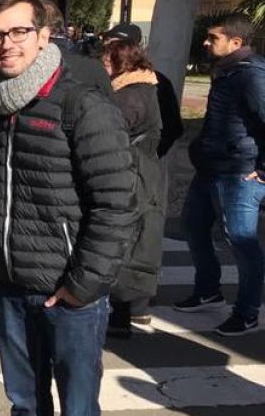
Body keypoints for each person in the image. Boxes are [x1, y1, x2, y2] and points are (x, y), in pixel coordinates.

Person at [0, 0, 136, 416]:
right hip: (13, 287)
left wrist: (83, 284)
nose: (7, 43)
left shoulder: (80, 102)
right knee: (26, 404)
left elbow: (117, 204)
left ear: (44, 36)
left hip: (69, 292)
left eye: (19, 31)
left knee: (77, 406)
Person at [176, 13, 265, 335]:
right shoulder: (228, 71)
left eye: (213, 37)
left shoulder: (252, 75)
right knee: (193, 226)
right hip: (211, 168)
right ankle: (208, 290)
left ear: (236, 42)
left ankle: (248, 310)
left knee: (241, 240)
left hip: (238, 173)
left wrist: (263, 171)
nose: (205, 41)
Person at [100, 39, 165, 338]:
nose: (102, 64)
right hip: (142, 170)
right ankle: (131, 309)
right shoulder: (145, 87)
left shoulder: (130, 95)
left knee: (125, 240)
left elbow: (108, 131)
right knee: (134, 239)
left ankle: (122, 312)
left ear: (120, 61)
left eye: (106, 59)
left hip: (132, 173)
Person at [101, 24, 184, 157]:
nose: (107, 52)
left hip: (138, 161)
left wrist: (150, 155)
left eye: (114, 46)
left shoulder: (155, 83)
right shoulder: (109, 78)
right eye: (106, 46)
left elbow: (172, 127)